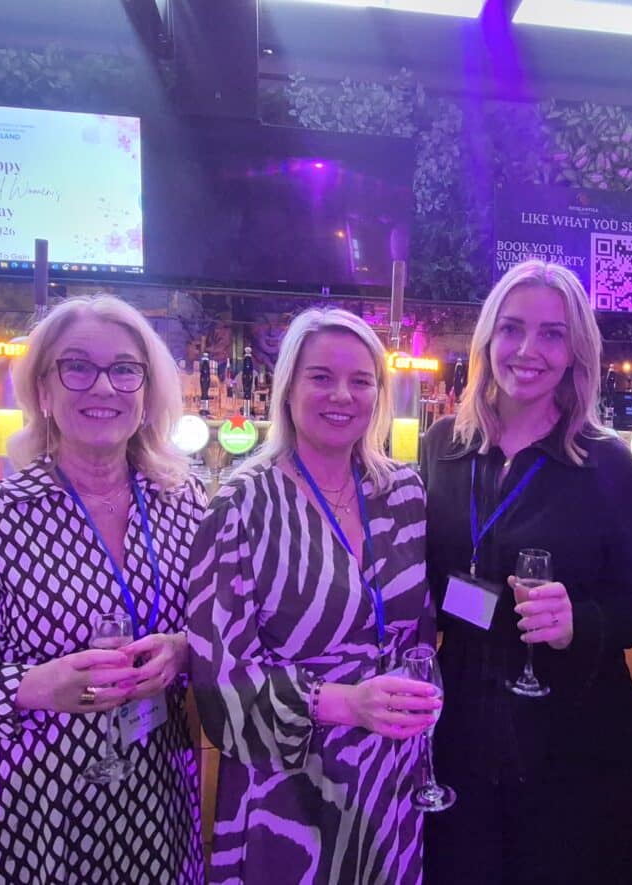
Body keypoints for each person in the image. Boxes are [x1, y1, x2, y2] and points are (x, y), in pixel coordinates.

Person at [0, 295, 207, 884]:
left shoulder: (185, 507)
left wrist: (181, 649)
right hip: (21, 807)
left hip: (153, 802)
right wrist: (33, 685)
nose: (104, 386)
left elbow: (216, 632)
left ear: (147, 392)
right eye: (77, 367)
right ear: (42, 389)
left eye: (125, 369)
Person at [420, 259, 632, 885]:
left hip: (574, 738)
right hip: (463, 726)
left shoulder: (607, 463)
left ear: (576, 352)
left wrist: (579, 622)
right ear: (487, 339)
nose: (528, 350)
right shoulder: (442, 446)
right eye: (512, 328)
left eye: (552, 334)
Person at [188, 307, 439, 884]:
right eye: (321, 377)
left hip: (392, 780)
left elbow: (420, 633)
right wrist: (347, 703)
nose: (342, 395)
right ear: (288, 388)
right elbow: (219, 684)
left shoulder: (403, 491)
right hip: (289, 789)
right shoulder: (243, 504)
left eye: (361, 380)